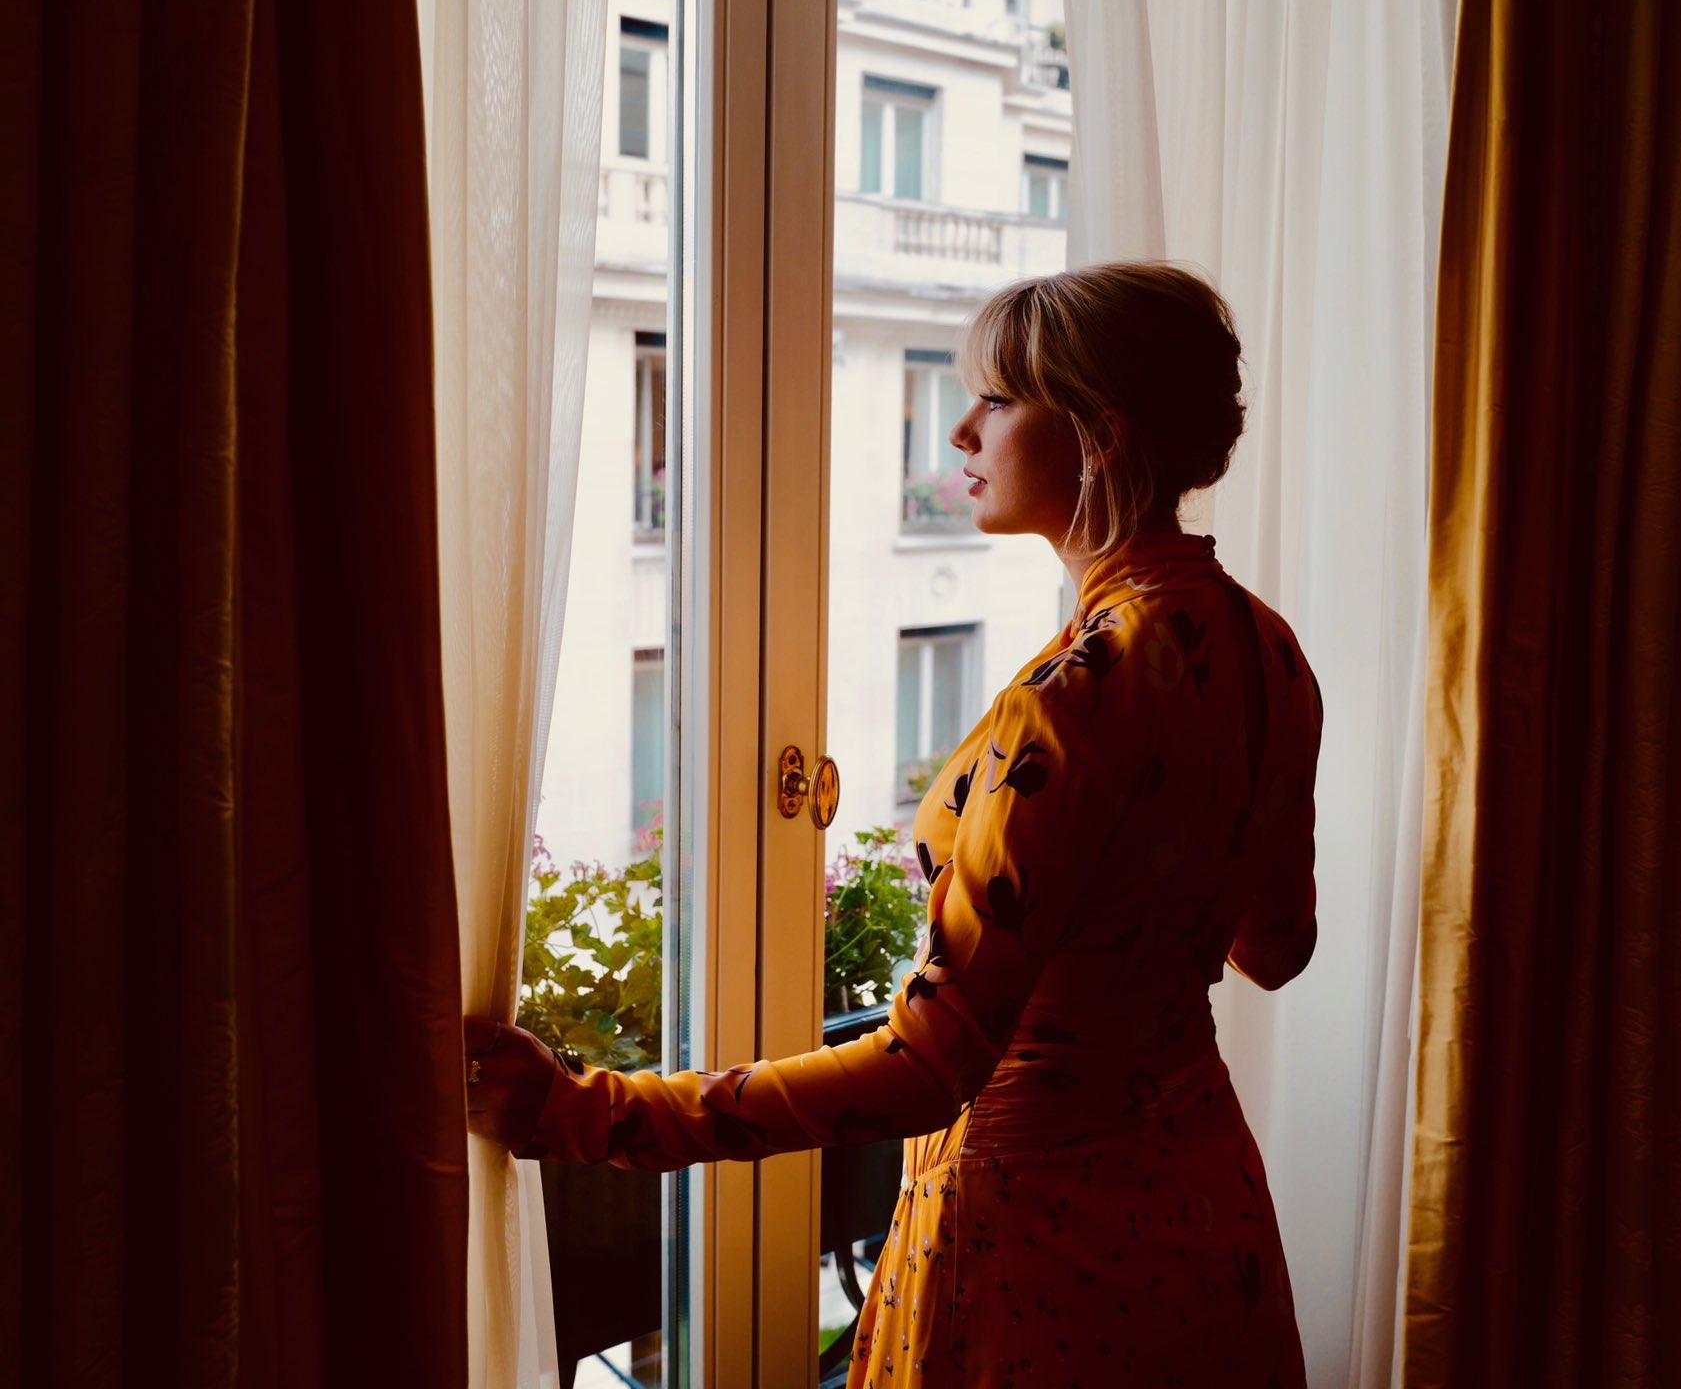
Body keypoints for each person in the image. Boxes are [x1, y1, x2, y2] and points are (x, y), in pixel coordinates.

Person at [466, 261, 1323, 1386]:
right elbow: (1275, 946)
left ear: (1101, 435)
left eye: (996, 401)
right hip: (1204, 1218)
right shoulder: (1266, 649)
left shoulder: (1071, 699)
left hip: (1041, 1244)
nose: (961, 431)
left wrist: (597, 1112)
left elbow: (926, 1066)